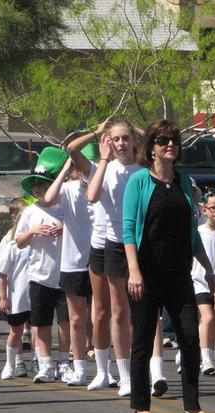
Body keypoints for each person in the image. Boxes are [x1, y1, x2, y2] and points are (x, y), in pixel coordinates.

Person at [123, 119, 215, 413]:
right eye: (163, 140)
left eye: (174, 140)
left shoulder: (182, 180)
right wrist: (134, 272)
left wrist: (207, 266)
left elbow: (191, 231)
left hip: (179, 273)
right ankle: (141, 406)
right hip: (147, 272)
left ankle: (192, 407)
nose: (170, 145)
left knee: (190, 337)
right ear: (151, 147)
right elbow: (127, 230)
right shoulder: (138, 181)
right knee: (142, 338)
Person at [86, 119, 143, 397]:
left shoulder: (144, 170)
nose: (121, 144)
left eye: (125, 138)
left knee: (143, 313)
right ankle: (125, 377)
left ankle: (147, 371)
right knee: (119, 312)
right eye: (116, 139)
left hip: (144, 245)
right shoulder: (105, 170)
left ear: (134, 141)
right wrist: (104, 158)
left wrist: (138, 132)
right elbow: (92, 195)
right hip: (116, 245)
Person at [67, 128, 118, 391]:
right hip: (98, 247)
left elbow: (153, 141)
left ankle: (128, 369)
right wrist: (96, 134)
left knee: (125, 313)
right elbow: (72, 149)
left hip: (123, 243)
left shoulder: (130, 166)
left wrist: (129, 131)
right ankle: (102, 370)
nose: (115, 143)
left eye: (120, 139)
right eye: (110, 140)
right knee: (100, 311)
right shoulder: (97, 169)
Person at [16, 147, 69, 383]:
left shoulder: (66, 208)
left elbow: (82, 233)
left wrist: (64, 229)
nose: (38, 188)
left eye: (44, 184)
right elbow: (18, 242)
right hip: (39, 275)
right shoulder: (30, 212)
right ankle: (45, 364)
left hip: (65, 274)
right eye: (35, 184)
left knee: (66, 322)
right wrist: (33, 231)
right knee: (41, 322)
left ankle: (65, 362)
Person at [43, 155, 94, 386]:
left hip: (101, 260)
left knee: (102, 317)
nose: (82, 172)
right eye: (79, 167)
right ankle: (79, 368)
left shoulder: (103, 186)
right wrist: (65, 167)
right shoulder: (69, 189)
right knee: (76, 319)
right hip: (73, 263)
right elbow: (48, 197)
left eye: (87, 166)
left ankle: (106, 368)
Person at [191, 189, 215, 376]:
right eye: (212, 208)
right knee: (207, 317)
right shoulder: (199, 231)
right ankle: (204, 360)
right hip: (199, 281)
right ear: (204, 210)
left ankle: (206, 356)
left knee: (213, 319)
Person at [0, 198, 30, 380]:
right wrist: (3, 297)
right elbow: (2, 271)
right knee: (16, 329)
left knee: (37, 329)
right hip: (16, 293)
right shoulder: (9, 241)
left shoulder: (35, 238)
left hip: (34, 292)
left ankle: (40, 363)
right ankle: (14, 361)